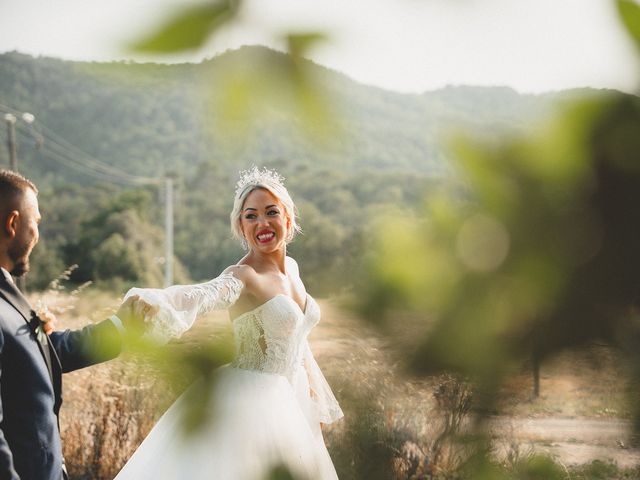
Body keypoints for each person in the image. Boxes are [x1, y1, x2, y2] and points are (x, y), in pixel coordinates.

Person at [114, 166, 343, 480]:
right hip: (251, 404)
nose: (262, 223)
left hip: (293, 401)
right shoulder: (243, 275)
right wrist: (159, 301)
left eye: (270, 212)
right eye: (251, 216)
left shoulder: (292, 268)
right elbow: (204, 294)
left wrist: (313, 400)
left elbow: (298, 339)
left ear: (287, 218)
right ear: (240, 225)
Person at [0, 169, 143, 480]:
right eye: (34, 222)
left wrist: (121, 327)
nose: (37, 233)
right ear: (12, 224)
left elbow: (47, 354)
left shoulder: (7, 295)